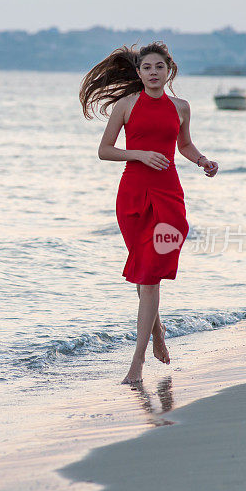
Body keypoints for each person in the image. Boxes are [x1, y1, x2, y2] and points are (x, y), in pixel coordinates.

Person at [79, 41, 219, 384]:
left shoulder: (181, 107)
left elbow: (183, 145)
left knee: (151, 273)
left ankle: (137, 364)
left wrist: (202, 161)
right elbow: (104, 150)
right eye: (147, 68)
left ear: (168, 70)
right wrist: (140, 154)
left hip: (170, 196)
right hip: (132, 196)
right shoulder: (126, 105)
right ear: (138, 72)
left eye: (159, 67)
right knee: (145, 273)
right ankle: (157, 333)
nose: (153, 73)